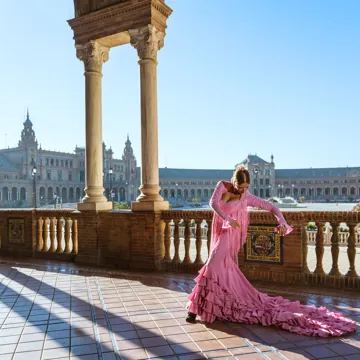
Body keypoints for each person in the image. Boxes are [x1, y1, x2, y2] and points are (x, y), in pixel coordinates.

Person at [186, 167, 356, 337]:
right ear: (234, 181)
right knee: (216, 268)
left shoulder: (247, 197)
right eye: (241, 186)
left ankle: (195, 310)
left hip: (231, 235)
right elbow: (213, 203)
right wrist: (229, 219)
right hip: (223, 230)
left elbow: (271, 207)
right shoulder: (222, 186)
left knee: (212, 266)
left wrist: (281, 222)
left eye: (247, 187)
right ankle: (201, 308)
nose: (244, 190)